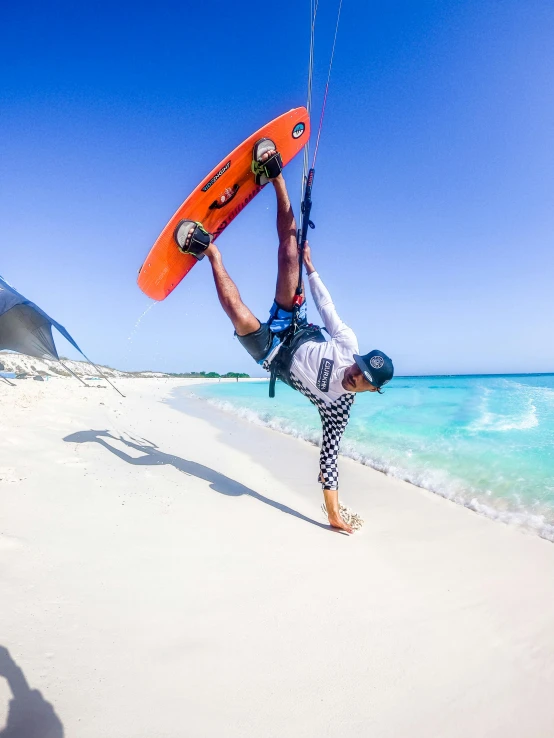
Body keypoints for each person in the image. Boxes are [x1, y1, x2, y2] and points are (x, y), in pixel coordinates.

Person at [174, 139, 394, 533]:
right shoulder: (349, 345)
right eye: (358, 368)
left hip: (273, 356)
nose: (353, 375)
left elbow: (329, 460)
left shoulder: (337, 411)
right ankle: (274, 176)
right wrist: (310, 268)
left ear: (369, 390)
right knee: (290, 252)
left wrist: (334, 515)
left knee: (237, 314)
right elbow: (328, 309)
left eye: (362, 379)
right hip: (296, 326)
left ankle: (209, 253)